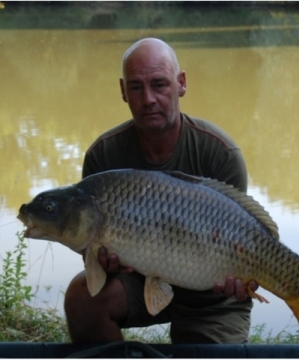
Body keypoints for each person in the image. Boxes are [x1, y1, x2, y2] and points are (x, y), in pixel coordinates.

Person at [64, 37, 258, 344]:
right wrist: (103, 259)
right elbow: (94, 253)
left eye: (159, 84)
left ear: (181, 84)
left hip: (211, 297)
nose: (149, 98)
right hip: (138, 283)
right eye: (136, 87)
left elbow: (241, 238)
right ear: (123, 91)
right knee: (81, 299)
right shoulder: (103, 156)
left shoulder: (220, 153)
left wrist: (242, 278)